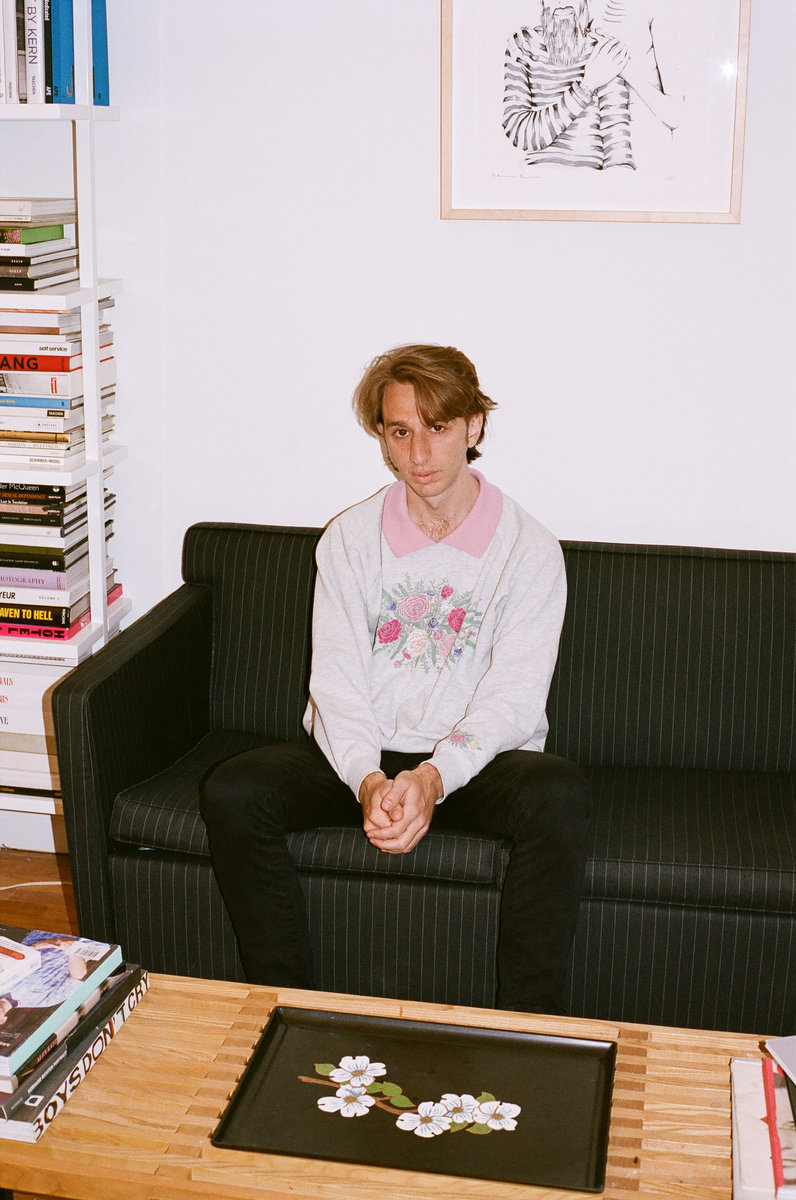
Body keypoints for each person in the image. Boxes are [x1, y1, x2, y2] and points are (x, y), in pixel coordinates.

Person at [200, 344, 591, 1014]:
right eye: (400, 431)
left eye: (437, 428)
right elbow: (336, 683)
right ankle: (288, 1008)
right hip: (364, 756)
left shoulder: (528, 549)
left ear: (473, 425)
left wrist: (434, 777)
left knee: (559, 794)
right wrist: (369, 780)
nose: (419, 454)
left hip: (475, 764)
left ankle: (527, 1028)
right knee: (234, 789)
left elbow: (513, 699)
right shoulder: (350, 538)